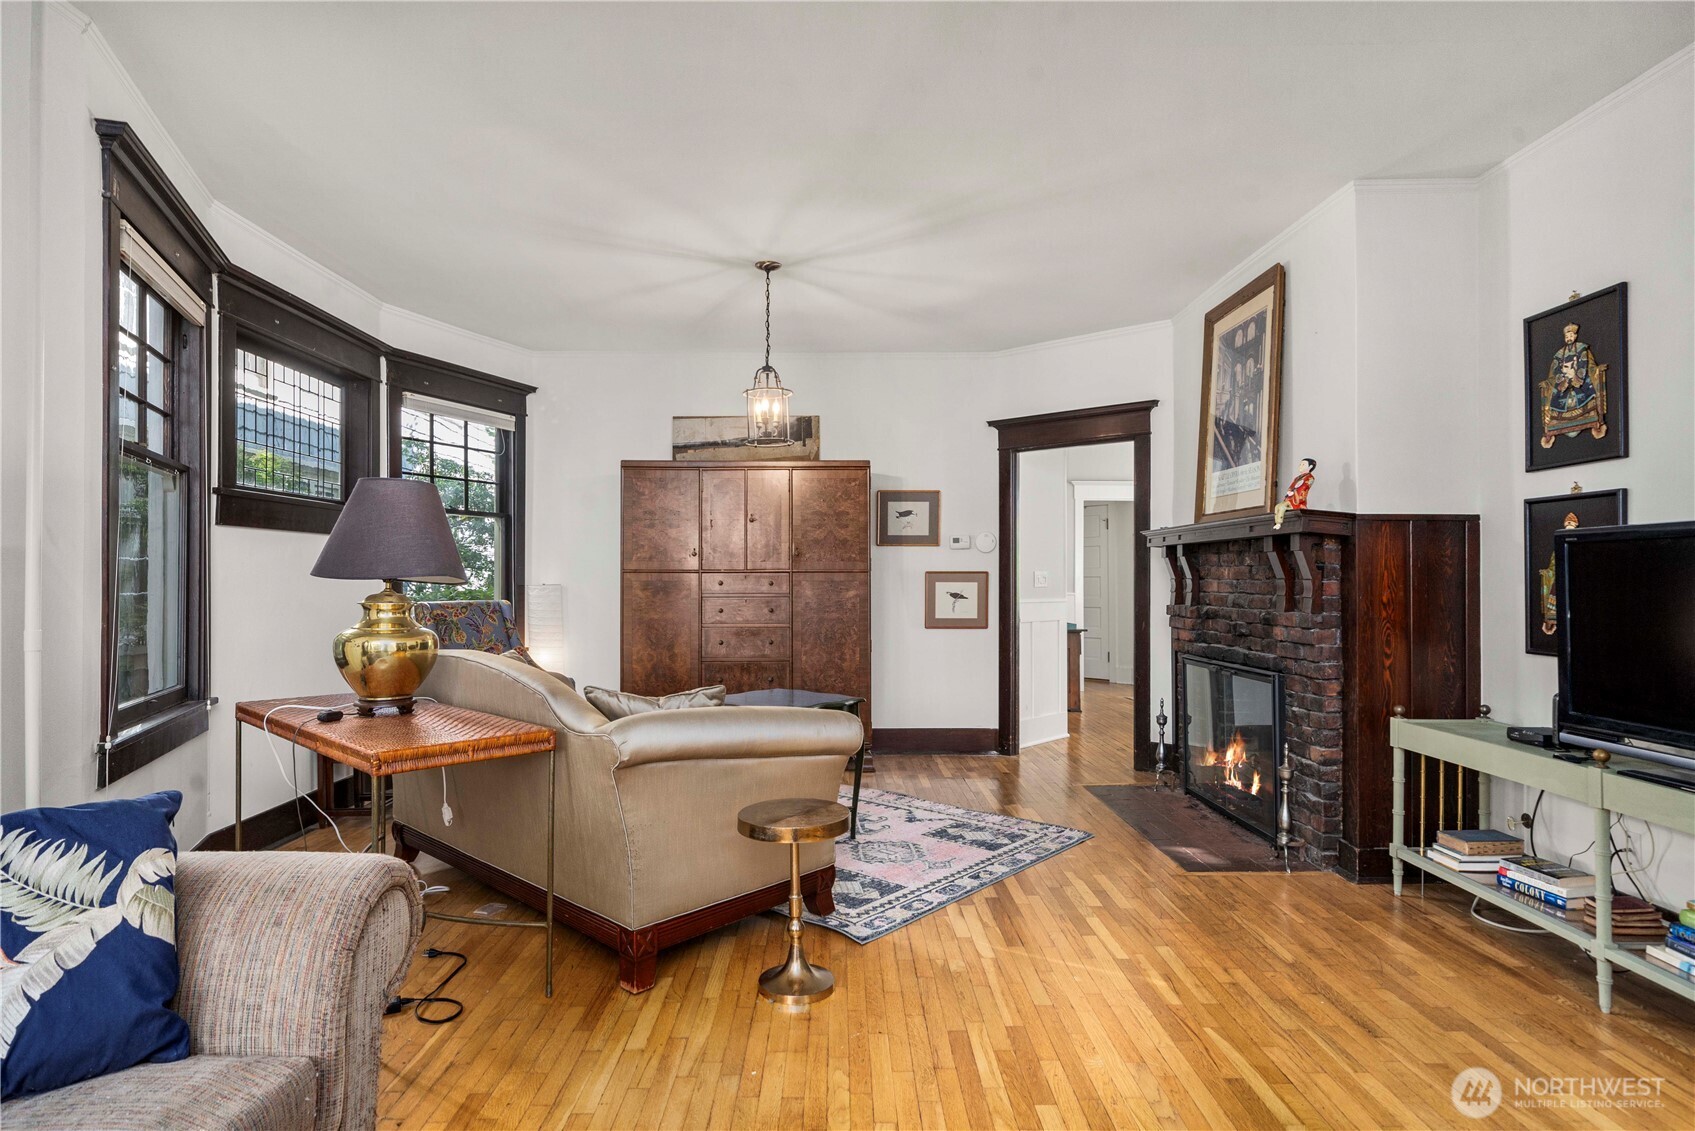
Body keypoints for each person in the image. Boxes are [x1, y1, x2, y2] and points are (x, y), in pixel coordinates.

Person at [1540, 322, 1608, 447]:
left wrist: (1581, 374)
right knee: (1556, 395)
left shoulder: (1582, 349)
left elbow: (1590, 365)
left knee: (1586, 389)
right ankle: (1556, 424)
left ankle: (1590, 418)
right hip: (1564, 381)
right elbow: (1554, 373)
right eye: (1567, 336)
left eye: (1571, 335)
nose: (1569, 338)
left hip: (1579, 378)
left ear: (1575, 336)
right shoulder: (1559, 354)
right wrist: (1562, 379)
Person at [1272, 458, 1316, 529]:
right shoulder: (1297, 478)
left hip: (1297, 499)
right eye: (1300, 464)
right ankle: (1276, 522)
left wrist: (1295, 490)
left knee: (1282, 507)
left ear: (1310, 467)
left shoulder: (1310, 477)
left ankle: (1279, 523)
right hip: (1291, 497)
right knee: (1277, 506)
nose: (1300, 466)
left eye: (1303, 464)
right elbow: (1292, 486)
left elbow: (1304, 487)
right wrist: (1290, 491)